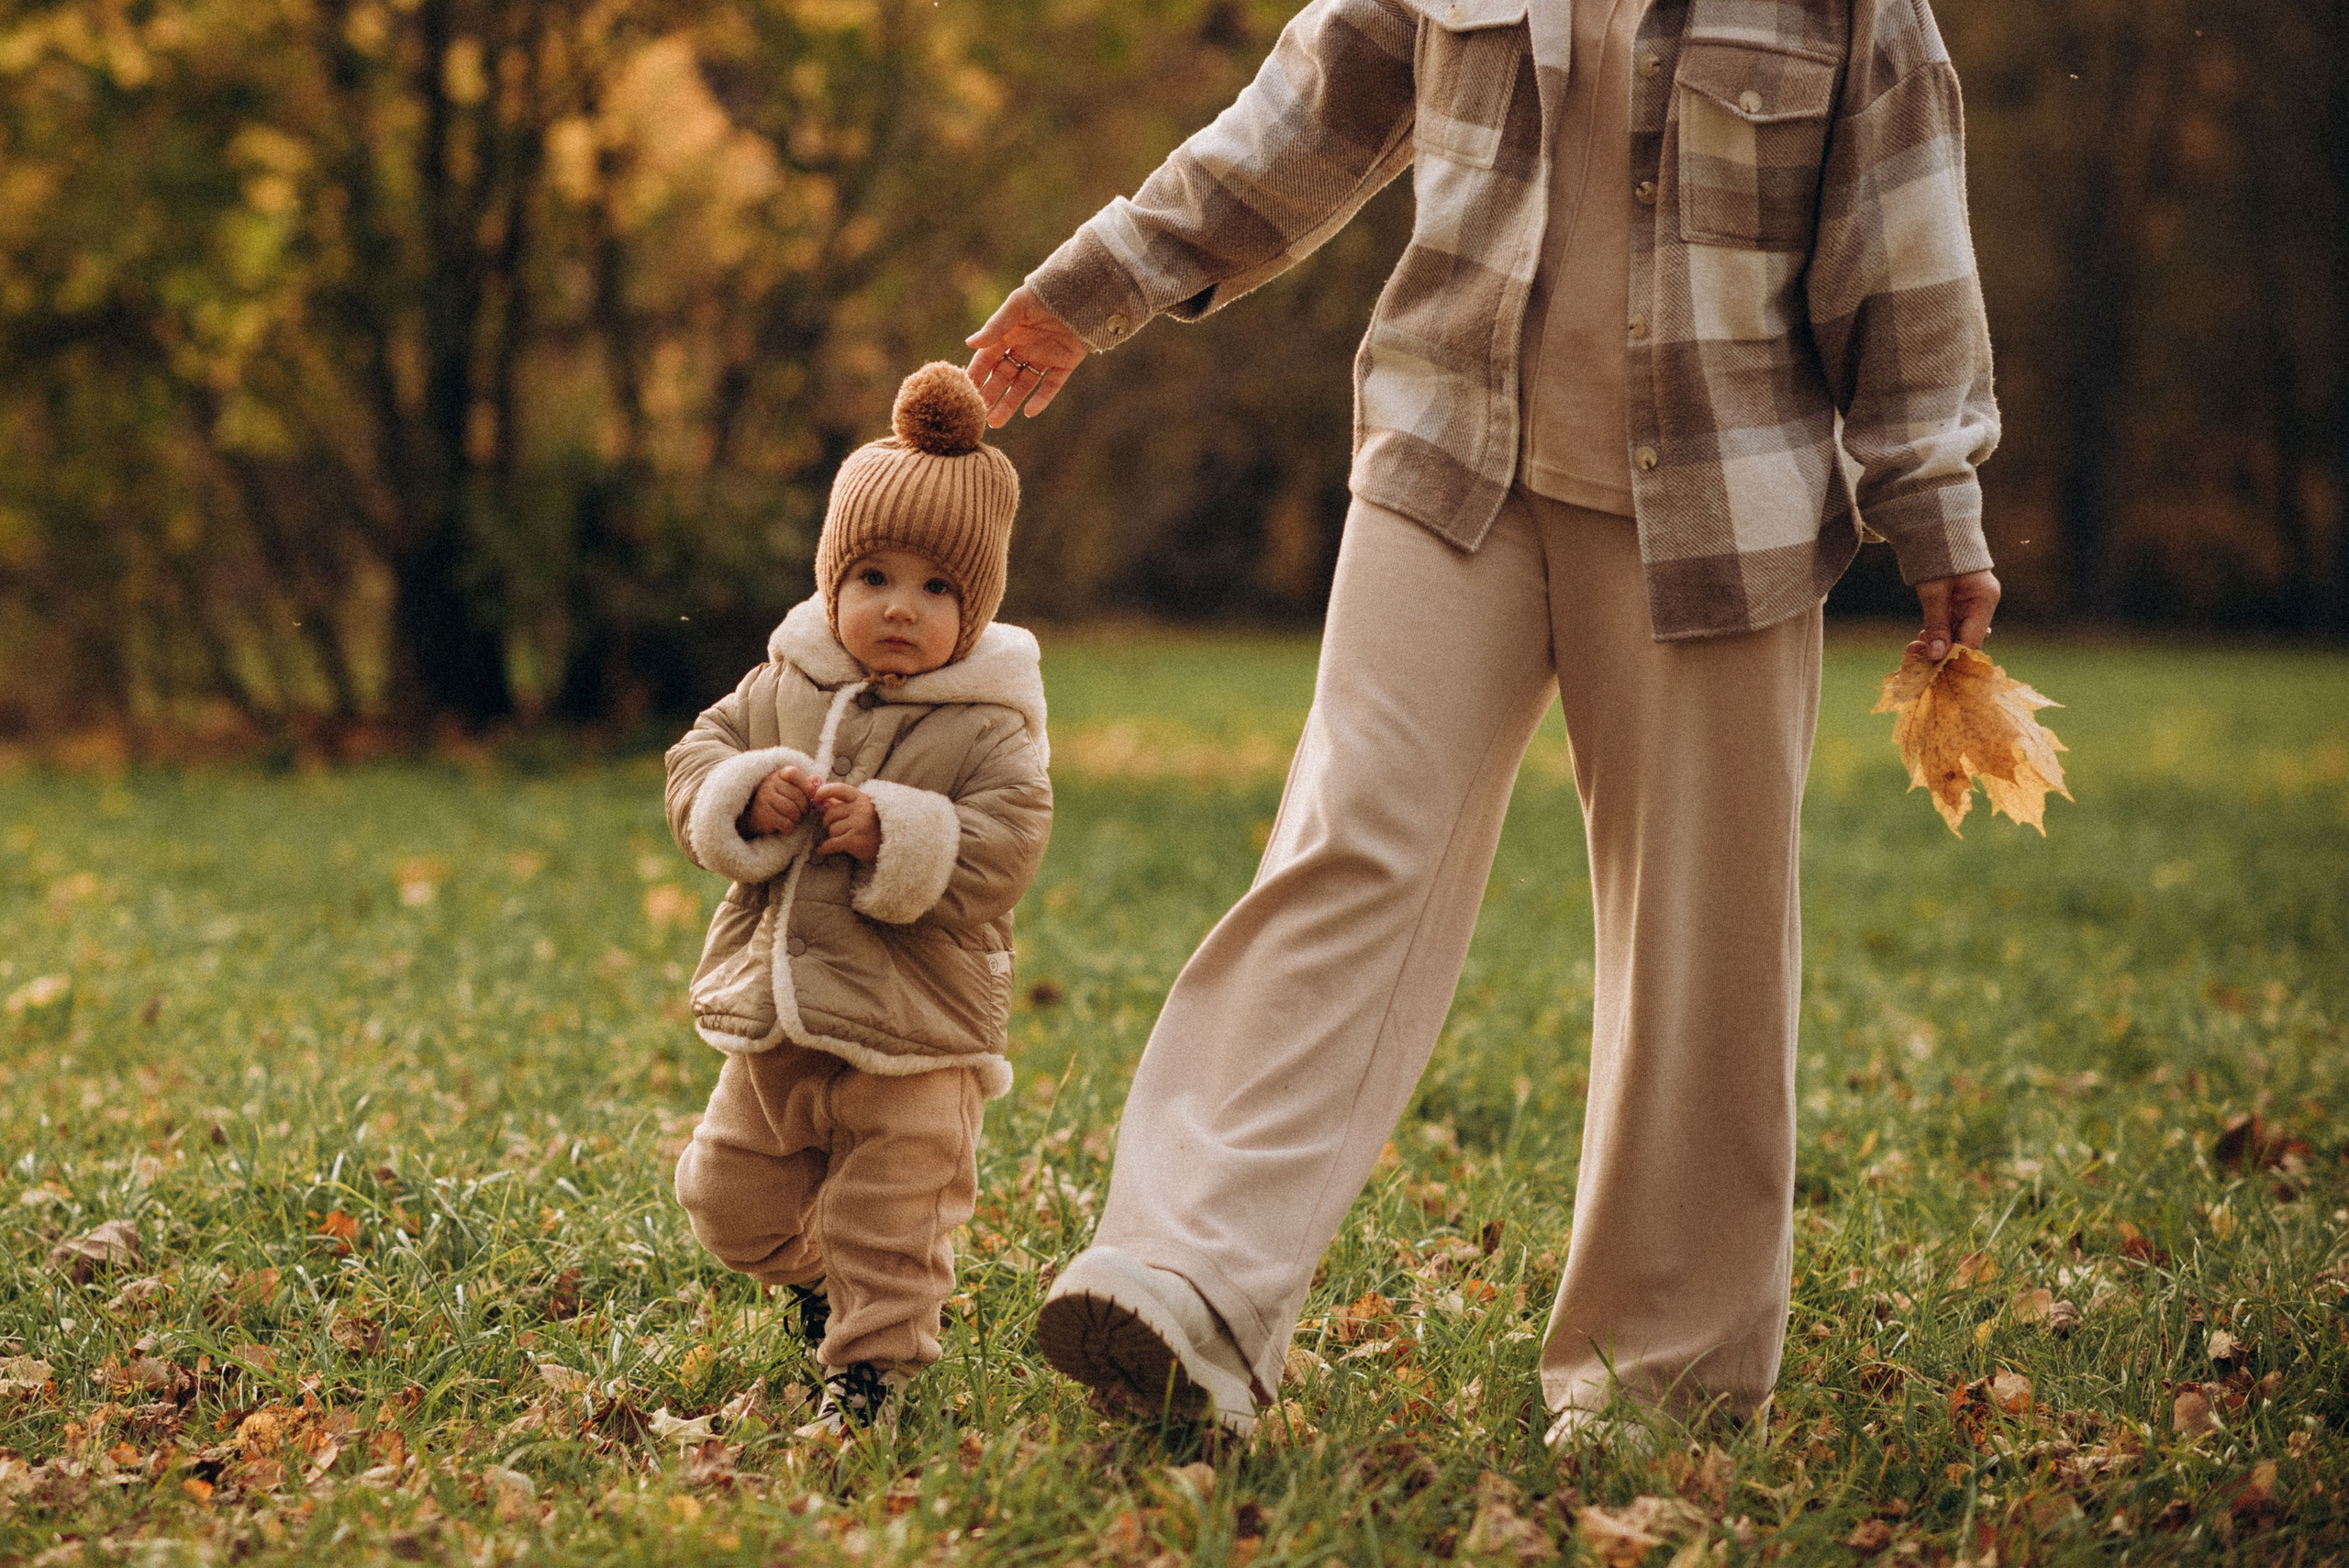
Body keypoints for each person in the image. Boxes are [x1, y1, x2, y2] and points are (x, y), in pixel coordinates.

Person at [969, 0, 2001, 1440]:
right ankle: (1187, 1278)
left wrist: (1933, 499)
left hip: (1717, 507)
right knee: (1346, 845)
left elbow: (1901, 242)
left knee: (1699, 945)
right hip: (1452, 459)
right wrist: (1096, 286)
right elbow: (1303, 120)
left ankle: (1666, 1382)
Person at [664, 363, 1052, 1431]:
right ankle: (819, 1278)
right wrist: (745, 793)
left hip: (917, 1031)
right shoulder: (782, 679)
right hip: (783, 1011)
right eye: (874, 574)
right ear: (833, 578)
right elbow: (695, 756)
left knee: (893, 1214)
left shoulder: (990, 723)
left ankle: (872, 1369)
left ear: (975, 610)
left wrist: (901, 828)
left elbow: (1006, 844)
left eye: (937, 589)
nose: (899, 607)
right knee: (725, 1194)